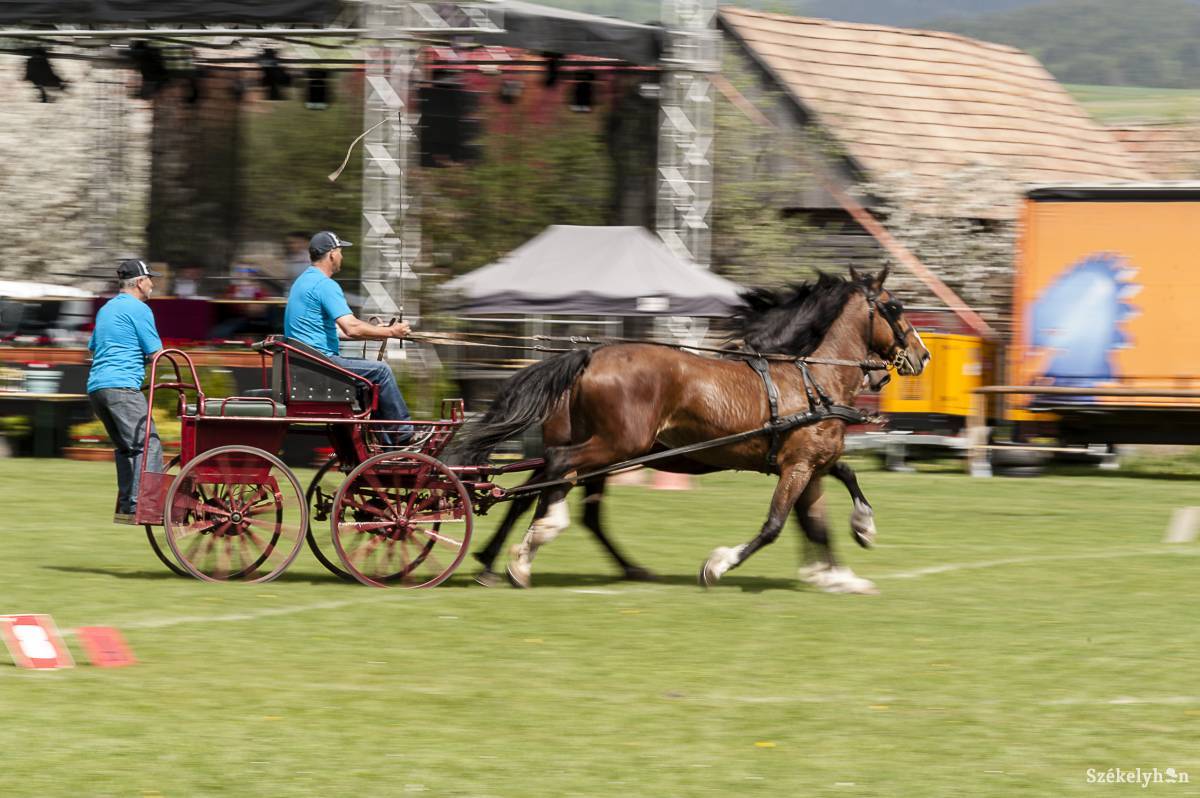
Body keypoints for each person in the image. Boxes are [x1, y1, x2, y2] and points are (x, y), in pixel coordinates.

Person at [284, 231, 412, 444]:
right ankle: (405, 435)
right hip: (320, 364)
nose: (342, 257)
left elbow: (333, 331)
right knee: (381, 371)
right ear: (332, 254)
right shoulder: (325, 285)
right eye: (340, 252)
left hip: (306, 363)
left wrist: (375, 332)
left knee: (368, 378)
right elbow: (351, 327)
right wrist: (391, 332)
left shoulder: (302, 282)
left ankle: (387, 444)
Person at [87, 259, 164, 523]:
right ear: (140, 282)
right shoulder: (139, 309)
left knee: (126, 447)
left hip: (97, 388)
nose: (152, 284)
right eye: (150, 279)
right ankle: (147, 505)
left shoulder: (106, 309)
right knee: (148, 443)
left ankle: (128, 507)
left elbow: (95, 346)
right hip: (121, 386)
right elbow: (156, 353)